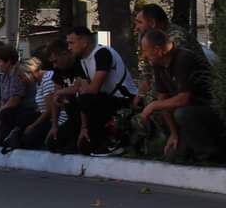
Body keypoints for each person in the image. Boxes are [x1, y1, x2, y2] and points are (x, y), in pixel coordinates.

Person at [139, 29, 226, 162]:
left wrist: (153, 105)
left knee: (182, 113)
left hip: (210, 110)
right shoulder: (158, 64)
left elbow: (184, 99)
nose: (143, 56)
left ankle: (210, 156)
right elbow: (164, 100)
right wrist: (174, 134)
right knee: (173, 155)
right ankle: (186, 146)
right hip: (187, 115)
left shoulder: (184, 59)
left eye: (145, 51)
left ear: (157, 50)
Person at [51, 27, 136, 156]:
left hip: (122, 99)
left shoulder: (102, 53)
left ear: (84, 42)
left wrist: (75, 91)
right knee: (56, 141)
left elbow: (93, 89)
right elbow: (83, 90)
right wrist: (83, 128)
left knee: (85, 99)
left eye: (71, 43)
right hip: (101, 100)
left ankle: (112, 141)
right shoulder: (81, 61)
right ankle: (87, 136)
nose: (69, 47)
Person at [0, 44, 38, 147]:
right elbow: (4, 100)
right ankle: (0, 139)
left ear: (8, 61)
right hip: (14, 110)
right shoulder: (4, 76)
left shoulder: (18, 73)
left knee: (6, 112)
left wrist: (2, 110)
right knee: (2, 111)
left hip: (28, 109)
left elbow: (15, 99)